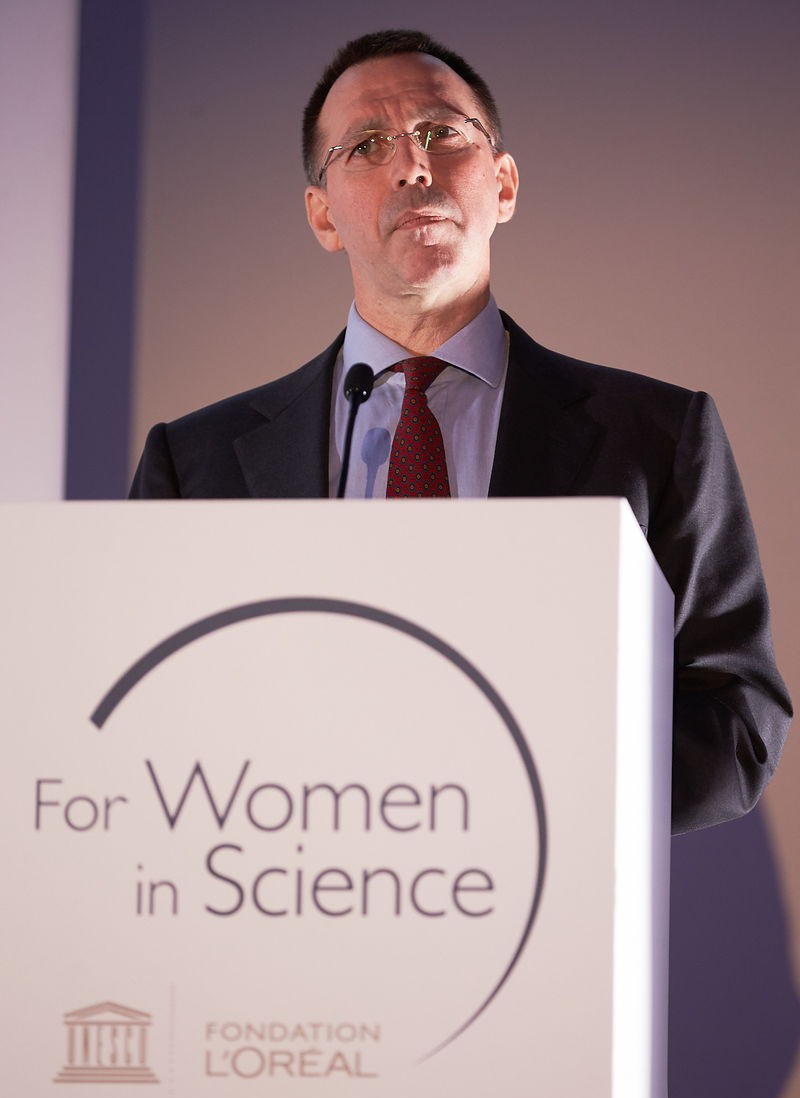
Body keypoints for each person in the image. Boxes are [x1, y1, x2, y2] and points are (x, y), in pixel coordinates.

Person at [130, 29, 791, 836]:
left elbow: (738, 723)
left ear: (503, 184)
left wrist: (519, 801)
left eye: (442, 132)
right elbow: (150, 722)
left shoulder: (657, 436)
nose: (413, 165)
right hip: (286, 884)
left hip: (549, 889)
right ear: (322, 216)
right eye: (366, 145)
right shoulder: (195, 466)